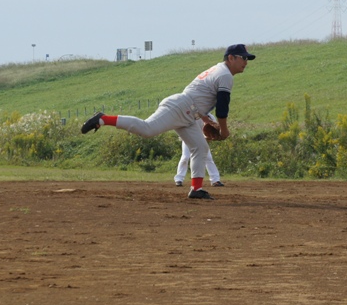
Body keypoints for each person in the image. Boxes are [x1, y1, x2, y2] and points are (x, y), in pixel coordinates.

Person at [81, 43, 255, 200]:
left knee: (200, 148)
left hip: (188, 112)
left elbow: (198, 93)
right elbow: (222, 108)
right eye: (243, 57)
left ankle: (196, 189)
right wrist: (224, 131)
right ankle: (103, 119)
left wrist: (203, 118)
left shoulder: (218, 70)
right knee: (147, 129)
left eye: (247, 58)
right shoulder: (225, 75)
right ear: (231, 58)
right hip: (180, 107)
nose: (246, 61)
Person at [174, 115, 223, 188]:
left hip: (201, 140)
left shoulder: (210, 117)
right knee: (185, 157)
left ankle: (215, 180)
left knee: (208, 158)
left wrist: (211, 137)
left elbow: (213, 131)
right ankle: (179, 179)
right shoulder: (191, 114)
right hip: (188, 138)